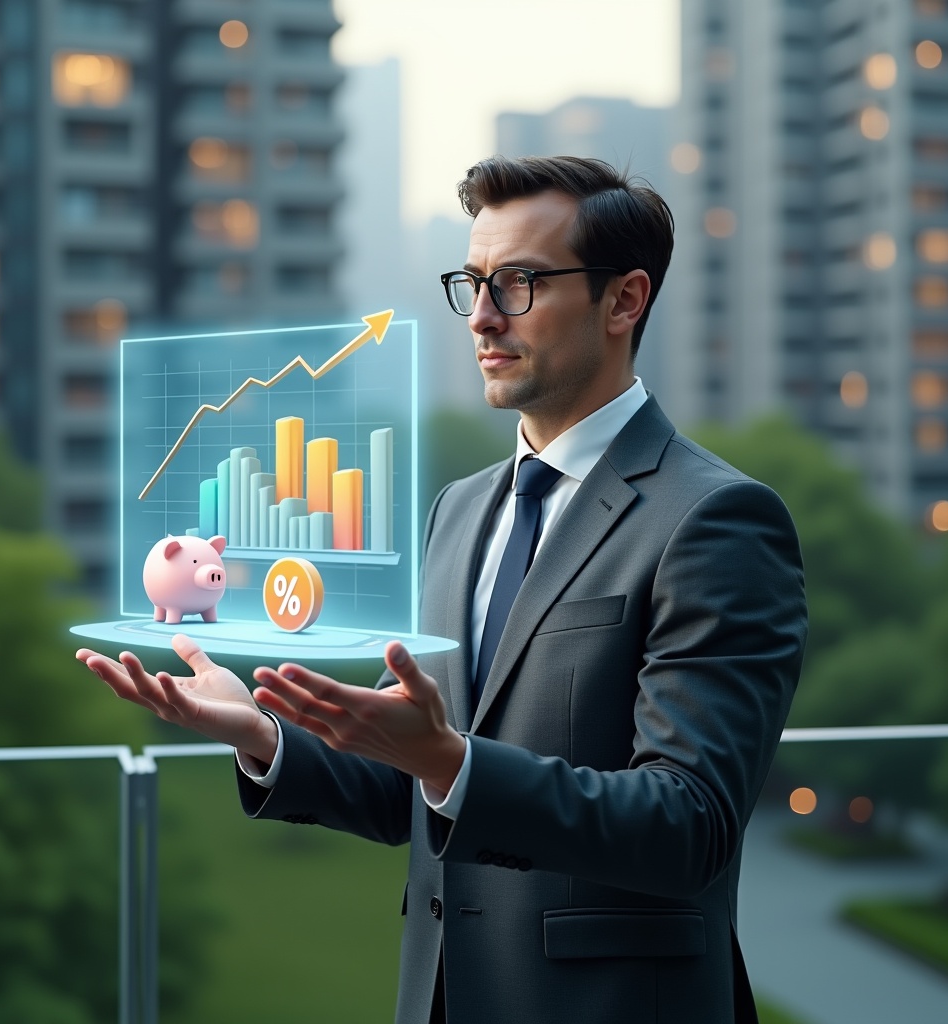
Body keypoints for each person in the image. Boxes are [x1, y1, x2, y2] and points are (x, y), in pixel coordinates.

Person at [78, 155, 807, 1024]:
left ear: (625, 300)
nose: (485, 317)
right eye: (473, 283)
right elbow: (415, 789)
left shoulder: (716, 520)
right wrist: (267, 736)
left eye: (522, 283)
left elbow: (690, 825)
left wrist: (448, 759)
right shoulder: (458, 514)